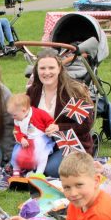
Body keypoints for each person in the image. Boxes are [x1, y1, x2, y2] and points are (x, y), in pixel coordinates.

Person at [26, 48, 94, 178]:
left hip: (68, 144)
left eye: (51, 68)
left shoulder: (72, 91)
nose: (47, 72)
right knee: (21, 161)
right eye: (42, 68)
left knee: (51, 169)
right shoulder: (32, 92)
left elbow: (86, 126)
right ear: (37, 70)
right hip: (42, 143)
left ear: (59, 69)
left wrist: (59, 128)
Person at [7, 93, 55, 176]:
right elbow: (17, 131)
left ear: (24, 110)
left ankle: (39, 173)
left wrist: (50, 127)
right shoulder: (17, 119)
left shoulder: (38, 113)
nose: (13, 117)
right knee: (17, 154)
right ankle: (16, 170)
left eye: (14, 115)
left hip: (40, 139)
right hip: (26, 140)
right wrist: (21, 138)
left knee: (42, 156)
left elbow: (50, 121)